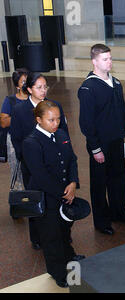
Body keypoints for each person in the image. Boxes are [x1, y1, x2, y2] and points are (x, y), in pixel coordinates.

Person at [22, 100, 84, 288]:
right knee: (51, 236)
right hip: (47, 197)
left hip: (66, 193)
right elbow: (40, 175)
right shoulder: (31, 142)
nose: (56, 123)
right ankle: (57, 272)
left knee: (64, 229)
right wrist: (63, 193)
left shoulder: (61, 134)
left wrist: (73, 183)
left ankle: (69, 256)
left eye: (58, 119)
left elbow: (72, 159)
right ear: (38, 119)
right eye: (51, 120)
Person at [78, 44, 125, 236]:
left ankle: (118, 212)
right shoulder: (88, 88)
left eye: (110, 58)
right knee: (99, 184)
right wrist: (95, 149)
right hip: (100, 145)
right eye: (105, 59)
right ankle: (102, 221)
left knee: (118, 179)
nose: (109, 62)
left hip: (116, 142)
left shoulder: (116, 83)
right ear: (94, 61)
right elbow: (86, 122)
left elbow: (123, 112)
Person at [10, 72, 69, 250]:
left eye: (45, 87)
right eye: (39, 87)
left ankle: (61, 234)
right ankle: (37, 237)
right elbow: (16, 137)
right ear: (29, 89)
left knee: (57, 200)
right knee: (36, 199)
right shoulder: (20, 109)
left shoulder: (54, 106)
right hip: (32, 165)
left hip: (54, 162)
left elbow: (63, 132)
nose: (43, 91)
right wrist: (28, 158)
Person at [0, 68, 29, 192]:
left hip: (33, 139)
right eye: (23, 82)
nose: (26, 84)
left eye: (28, 81)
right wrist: (21, 116)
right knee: (17, 171)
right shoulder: (10, 101)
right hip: (15, 141)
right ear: (17, 85)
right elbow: (3, 122)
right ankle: (20, 199)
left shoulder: (37, 98)